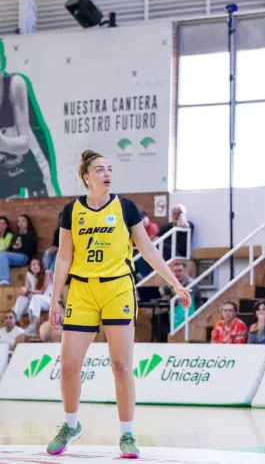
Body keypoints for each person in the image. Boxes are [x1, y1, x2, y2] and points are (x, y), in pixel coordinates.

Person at [45, 150, 190, 459]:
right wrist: (55, 298)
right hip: (82, 291)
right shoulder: (72, 211)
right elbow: (64, 257)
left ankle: (127, 434)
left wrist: (175, 284)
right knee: (69, 366)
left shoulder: (125, 208)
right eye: (100, 169)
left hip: (117, 290)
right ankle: (71, 425)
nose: (107, 173)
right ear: (86, 177)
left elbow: (148, 249)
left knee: (121, 366)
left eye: (109, 169)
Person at [0, 46, 57, 199]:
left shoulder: (15, 84)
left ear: (1, 61)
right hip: (3, 162)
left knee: (45, 207)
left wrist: (2, 142)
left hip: (30, 157)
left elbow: (24, 145)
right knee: (6, 210)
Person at [13, 258, 52, 334]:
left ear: (41, 266)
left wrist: (28, 291)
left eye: (37, 264)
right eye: (33, 264)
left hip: (48, 299)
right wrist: (23, 291)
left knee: (35, 297)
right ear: (30, 266)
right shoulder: (29, 274)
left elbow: (42, 292)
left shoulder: (46, 273)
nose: (35, 266)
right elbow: (27, 290)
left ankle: (34, 323)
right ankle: (15, 320)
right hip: (35, 300)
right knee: (22, 298)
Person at [0, 214, 37, 286]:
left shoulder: (30, 234)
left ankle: (4, 280)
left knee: (3, 255)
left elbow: (31, 251)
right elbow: (11, 248)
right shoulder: (17, 235)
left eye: (23, 221)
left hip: (24, 257)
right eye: (19, 221)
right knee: (2, 256)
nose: (20, 223)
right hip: (14, 257)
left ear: (28, 223)